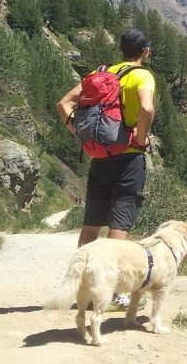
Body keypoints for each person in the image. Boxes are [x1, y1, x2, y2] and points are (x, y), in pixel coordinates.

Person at [56, 29, 156, 308]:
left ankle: (82, 289)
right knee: (119, 224)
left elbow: (63, 104)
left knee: (90, 226)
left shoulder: (101, 74)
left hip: (100, 158)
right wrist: (139, 138)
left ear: (121, 50)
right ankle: (112, 293)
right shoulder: (142, 76)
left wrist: (79, 132)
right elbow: (146, 109)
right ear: (145, 52)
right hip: (129, 159)